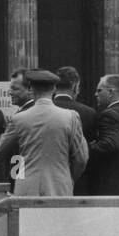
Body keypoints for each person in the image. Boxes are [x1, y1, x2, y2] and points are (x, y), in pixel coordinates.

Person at [0, 69, 86, 196]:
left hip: (27, 188)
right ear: (54, 90)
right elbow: (81, 158)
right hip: (60, 188)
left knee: (26, 216)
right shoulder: (71, 117)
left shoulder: (19, 119)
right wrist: (68, 178)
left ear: (32, 90)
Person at [52, 66, 97, 194]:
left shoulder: (37, 112)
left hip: (48, 185)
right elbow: (89, 153)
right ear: (75, 87)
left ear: (54, 87)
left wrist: (17, 178)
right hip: (80, 184)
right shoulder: (89, 113)